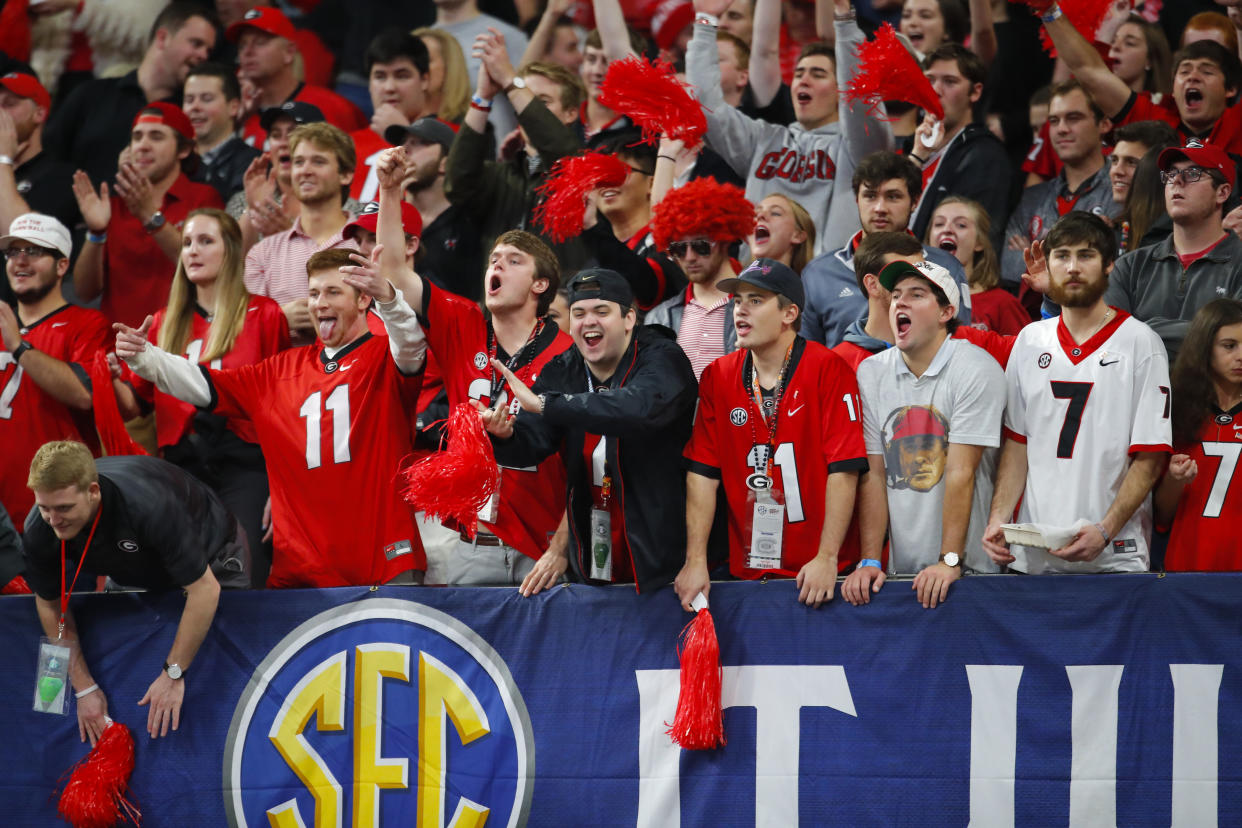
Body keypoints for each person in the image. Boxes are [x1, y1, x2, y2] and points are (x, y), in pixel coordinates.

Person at [117, 246, 429, 588]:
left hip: (384, 560)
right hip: (302, 571)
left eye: (333, 292)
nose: (319, 302)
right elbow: (205, 384)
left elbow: (411, 345)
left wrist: (390, 298)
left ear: (362, 301)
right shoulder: (279, 371)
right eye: (313, 293)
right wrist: (146, 358)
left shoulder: (386, 357)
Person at [370, 146, 573, 587]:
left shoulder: (569, 353)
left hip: (535, 546)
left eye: (513, 261)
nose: (496, 264)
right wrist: (389, 192)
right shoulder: (462, 324)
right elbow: (395, 276)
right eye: (493, 260)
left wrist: (562, 547)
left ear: (541, 284)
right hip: (464, 541)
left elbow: (589, 463)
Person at [478, 268, 698, 592]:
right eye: (578, 313)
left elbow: (636, 409)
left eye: (601, 311)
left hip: (665, 560)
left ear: (629, 319)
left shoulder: (663, 357)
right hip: (595, 552)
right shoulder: (563, 368)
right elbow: (534, 441)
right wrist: (504, 434)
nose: (588, 321)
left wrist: (548, 405)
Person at [982, 212, 1171, 574]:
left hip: (1114, 557)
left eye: (1085, 255)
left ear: (1109, 265)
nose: (1072, 267)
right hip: (1034, 554)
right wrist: (998, 519)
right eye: (1062, 256)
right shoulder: (1029, 340)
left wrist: (1105, 530)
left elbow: (1150, 457)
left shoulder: (1141, 343)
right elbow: (1017, 444)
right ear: (1048, 265)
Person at [23, 441, 246, 744]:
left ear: (93, 491)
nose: (54, 520)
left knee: (213, 676)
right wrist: (84, 689)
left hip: (212, 559)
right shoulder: (40, 527)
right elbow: (50, 607)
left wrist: (173, 674)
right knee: (132, 678)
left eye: (64, 508)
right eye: (44, 507)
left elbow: (205, 591)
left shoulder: (149, 505)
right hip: (134, 569)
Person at [111, 209, 289, 586]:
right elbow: (136, 407)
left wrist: (282, 486)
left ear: (232, 251)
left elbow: (282, 404)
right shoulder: (163, 321)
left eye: (206, 241)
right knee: (180, 574)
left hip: (244, 461)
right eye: (188, 242)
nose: (192, 250)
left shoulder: (265, 314)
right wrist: (112, 376)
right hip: (181, 463)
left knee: (245, 570)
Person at [677, 257, 867, 608]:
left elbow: (845, 469)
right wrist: (696, 559)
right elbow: (703, 472)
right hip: (749, 571)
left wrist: (827, 557)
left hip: (820, 573)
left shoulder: (828, 368)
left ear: (789, 314)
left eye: (756, 300)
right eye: (737, 301)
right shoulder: (718, 375)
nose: (741, 311)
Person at [844, 258, 1005, 608]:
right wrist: (871, 560)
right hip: (903, 572)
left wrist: (949, 561)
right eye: (897, 294)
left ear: (946, 311)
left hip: (970, 570)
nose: (900, 302)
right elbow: (874, 472)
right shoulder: (871, 373)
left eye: (916, 295)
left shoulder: (976, 368)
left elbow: (962, 473)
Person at [686, 0, 893, 254]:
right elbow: (705, 107)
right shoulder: (763, 138)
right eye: (798, 74)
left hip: (823, 288)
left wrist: (845, 21)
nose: (803, 80)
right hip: (755, 281)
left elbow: (861, 97)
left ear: (842, 91)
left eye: (817, 74)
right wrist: (705, 21)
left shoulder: (859, 149)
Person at [0, 214, 111, 531]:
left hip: (60, 514)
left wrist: (19, 347)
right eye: (13, 252)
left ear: (62, 266)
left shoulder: (87, 325)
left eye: (34, 251)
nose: (20, 260)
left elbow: (84, 394)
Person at [71, 103, 225, 329]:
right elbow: (85, 292)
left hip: (179, 345)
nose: (142, 146)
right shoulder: (112, 206)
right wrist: (96, 233)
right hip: (118, 348)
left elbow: (207, 269)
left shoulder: (203, 198)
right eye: (137, 137)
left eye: (156, 137)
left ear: (183, 150)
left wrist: (149, 216)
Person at [802, 150, 969, 348]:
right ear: (857, 200)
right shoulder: (818, 273)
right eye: (870, 196)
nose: (880, 208)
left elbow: (959, 344)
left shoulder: (946, 266)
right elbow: (808, 356)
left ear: (915, 202)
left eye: (893, 196)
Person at [43, 2, 217, 186]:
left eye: (208, 50)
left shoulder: (188, 117)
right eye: (196, 44)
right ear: (162, 37)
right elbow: (48, 158)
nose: (203, 55)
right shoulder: (91, 95)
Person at [444, 49, 583, 267]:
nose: (526, 110)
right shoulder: (499, 175)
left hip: (559, 299)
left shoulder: (581, 170)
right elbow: (456, 183)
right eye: (521, 100)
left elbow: (562, 151)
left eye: (542, 102)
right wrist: (483, 96)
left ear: (571, 113)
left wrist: (511, 82)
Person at [1106, 141, 1242, 362]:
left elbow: (1233, 344)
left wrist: (1143, 331)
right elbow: (1110, 339)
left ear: (1222, 192)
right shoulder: (1131, 265)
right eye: (1171, 174)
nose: (1177, 180)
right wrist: (1206, 334)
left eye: (1193, 173)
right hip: (1140, 394)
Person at [1042, 13, 1242, 157]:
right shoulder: (1151, 122)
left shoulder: (1238, 124)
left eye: (1206, 71)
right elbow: (1089, 71)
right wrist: (1049, 10)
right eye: (1184, 71)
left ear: (1231, 89)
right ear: (1173, 89)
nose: (1193, 77)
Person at [244, 122, 360, 344]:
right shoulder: (262, 253)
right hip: (281, 374)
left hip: (354, 372)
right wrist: (279, 319)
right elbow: (244, 334)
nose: (305, 170)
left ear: (345, 175)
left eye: (318, 161)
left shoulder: (367, 246)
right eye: (299, 162)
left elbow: (387, 320)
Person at [1001, 80, 1118, 287]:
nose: (1061, 129)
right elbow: (1010, 271)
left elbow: (1116, 274)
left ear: (1104, 124)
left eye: (1073, 118)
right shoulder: (1031, 198)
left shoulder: (1121, 192)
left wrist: (1041, 259)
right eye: (1054, 121)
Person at [1155, 298, 1242, 571]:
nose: (1241, 355)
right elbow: (1161, 515)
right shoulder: (1177, 414)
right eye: (1229, 346)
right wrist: (1174, 479)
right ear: (1204, 348)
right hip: (1188, 567)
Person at [645, 178, 753, 378]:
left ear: (724, 240)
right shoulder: (659, 317)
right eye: (678, 249)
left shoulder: (757, 307)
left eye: (700, 246)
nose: (689, 257)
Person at [908, 43, 1012, 249]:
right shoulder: (910, 147)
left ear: (975, 92)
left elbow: (974, 244)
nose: (935, 90)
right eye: (929, 80)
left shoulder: (985, 157)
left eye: (949, 81)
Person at [230, 6, 366, 146]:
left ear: (289, 52)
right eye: (242, 45)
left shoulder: (331, 107)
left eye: (260, 42)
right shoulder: (234, 112)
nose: (247, 52)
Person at [384, 118, 483, 300]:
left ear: (446, 163)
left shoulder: (471, 221)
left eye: (421, 142)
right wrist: (392, 199)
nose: (405, 149)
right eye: (404, 142)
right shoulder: (385, 215)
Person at [349, 29, 432, 203]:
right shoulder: (348, 145)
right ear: (369, 85)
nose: (389, 87)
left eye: (402, 76)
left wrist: (402, 135)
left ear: (425, 80)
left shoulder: (447, 140)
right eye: (380, 77)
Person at [929, 197, 1030, 335]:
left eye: (961, 225)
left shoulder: (1002, 303)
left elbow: (1026, 354)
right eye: (939, 224)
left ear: (979, 242)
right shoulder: (911, 298)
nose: (947, 229)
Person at [435, 0, 530, 140]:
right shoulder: (421, 39)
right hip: (435, 150)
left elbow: (530, 98)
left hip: (497, 151)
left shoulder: (505, 36)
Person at [0, 72, 79, 238]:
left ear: (39, 114)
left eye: (9, 104)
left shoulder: (62, 177)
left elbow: (23, 239)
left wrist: (3, 159)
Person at [183, 63, 260, 203]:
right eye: (189, 100)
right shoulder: (174, 160)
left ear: (234, 107)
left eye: (206, 99)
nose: (195, 107)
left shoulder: (252, 163)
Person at [414, 27, 471, 124]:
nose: (414, 68)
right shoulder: (388, 119)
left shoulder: (472, 126)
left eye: (425, 60)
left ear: (450, 68)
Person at [746, 193, 815, 273]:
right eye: (755, 214)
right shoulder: (735, 280)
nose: (760, 215)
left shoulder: (805, 285)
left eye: (775, 213)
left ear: (797, 236)